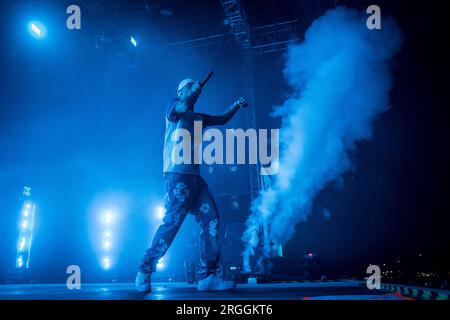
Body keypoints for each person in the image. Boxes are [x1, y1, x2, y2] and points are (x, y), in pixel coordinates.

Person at [135, 77, 248, 293]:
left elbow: (222, 119)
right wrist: (191, 93)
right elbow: (182, 104)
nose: (195, 88)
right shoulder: (174, 107)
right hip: (177, 177)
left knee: (211, 219)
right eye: (189, 86)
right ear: (181, 91)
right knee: (171, 224)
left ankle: (208, 275)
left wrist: (235, 105)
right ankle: (145, 269)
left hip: (196, 180)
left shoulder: (198, 118)